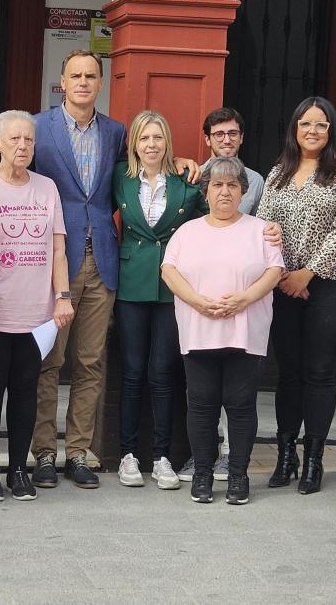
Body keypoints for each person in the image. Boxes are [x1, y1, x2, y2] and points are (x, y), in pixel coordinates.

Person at [29, 49, 200, 490]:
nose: (83, 82)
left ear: (100, 83)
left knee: (90, 363)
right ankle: (44, 452)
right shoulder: (37, 128)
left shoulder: (116, 132)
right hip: (53, 261)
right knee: (50, 360)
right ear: (62, 82)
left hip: (103, 259)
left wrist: (180, 163)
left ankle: (78, 452)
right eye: (75, 75)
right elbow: (15, 174)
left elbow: (145, 167)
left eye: (91, 75)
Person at [256, 96, 336, 495]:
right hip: (283, 284)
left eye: (320, 125)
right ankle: (286, 454)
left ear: (331, 130)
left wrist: (308, 272)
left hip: (328, 284)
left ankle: (314, 458)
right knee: (289, 373)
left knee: (319, 373)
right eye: (305, 124)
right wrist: (283, 271)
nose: (312, 131)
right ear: (295, 129)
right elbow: (264, 224)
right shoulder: (279, 172)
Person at [161, 157, 285, 504]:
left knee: (241, 405)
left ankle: (238, 476)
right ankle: (202, 474)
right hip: (199, 329)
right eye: (217, 185)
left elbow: (274, 271)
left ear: (243, 190)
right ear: (206, 191)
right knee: (201, 406)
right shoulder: (188, 231)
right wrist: (198, 302)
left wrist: (243, 299)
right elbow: (169, 272)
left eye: (232, 185)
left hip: (245, 331)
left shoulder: (260, 230)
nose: (225, 192)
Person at [0, 110, 73, 503]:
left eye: (28, 140)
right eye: (14, 139)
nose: (22, 146)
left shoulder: (46, 188)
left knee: (25, 392)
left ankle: (17, 468)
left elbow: (58, 246)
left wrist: (62, 296)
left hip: (36, 316)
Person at [112, 110, 206, 491]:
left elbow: (210, 222)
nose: (151, 145)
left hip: (172, 285)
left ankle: (162, 456)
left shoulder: (186, 179)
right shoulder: (119, 175)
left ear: (168, 142)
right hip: (132, 281)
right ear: (134, 143)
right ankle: (128, 455)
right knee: (133, 372)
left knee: (162, 374)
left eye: (158, 138)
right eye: (144, 138)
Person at [198, 107, 265, 214]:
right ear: (207, 140)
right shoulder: (194, 176)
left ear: (241, 137)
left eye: (233, 133)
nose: (227, 140)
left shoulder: (255, 181)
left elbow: (258, 224)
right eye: (219, 134)